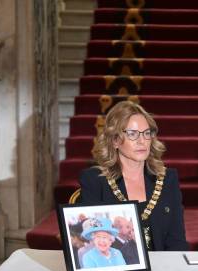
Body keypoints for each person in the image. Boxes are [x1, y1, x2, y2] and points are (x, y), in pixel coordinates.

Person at [78, 101, 189, 251]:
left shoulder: (167, 179)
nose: (141, 141)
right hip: (118, 269)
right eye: (132, 134)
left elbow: (177, 240)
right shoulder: (95, 180)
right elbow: (95, 240)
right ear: (115, 140)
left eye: (146, 133)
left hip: (164, 267)